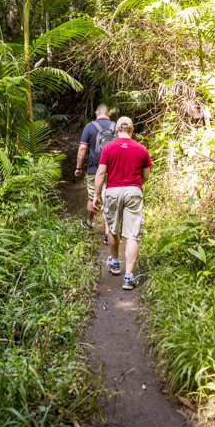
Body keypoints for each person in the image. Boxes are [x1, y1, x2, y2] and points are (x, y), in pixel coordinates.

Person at [93, 116, 151, 290]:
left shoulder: (108, 147)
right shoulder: (142, 149)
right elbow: (146, 176)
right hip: (133, 190)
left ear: (117, 130)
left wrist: (96, 195)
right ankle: (128, 277)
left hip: (113, 190)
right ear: (132, 130)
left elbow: (101, 173)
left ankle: (116, 262)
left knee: (112, 228)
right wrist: (134, 186)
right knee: (132, 234)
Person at [74, 104, 116, 241]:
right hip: (112, 169)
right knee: (108, 200)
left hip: (94, 169)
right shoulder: (116, 126)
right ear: (108, 114)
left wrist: (78, 168)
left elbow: (82, 149)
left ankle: (89, 223)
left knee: (93, 197)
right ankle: (107, 233)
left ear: (96, 113)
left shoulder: (89, 127)